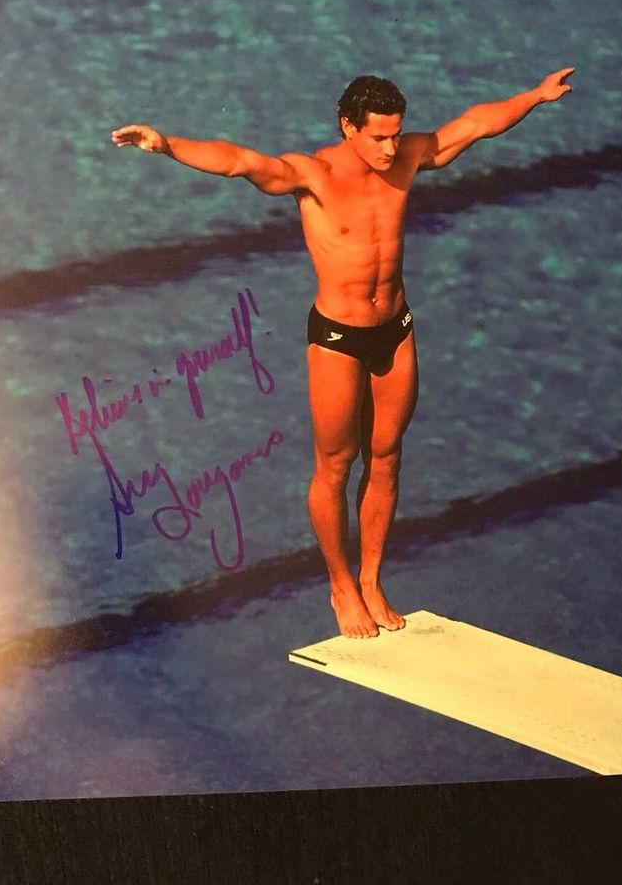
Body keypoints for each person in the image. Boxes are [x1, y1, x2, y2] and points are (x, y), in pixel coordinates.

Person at [112, 67, 574, 639]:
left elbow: (477, 124)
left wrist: (535, 96)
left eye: (396, 134)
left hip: (395, 329)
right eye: (378, 137)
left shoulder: (406, 157)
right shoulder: (314, 175)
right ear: (348, 126)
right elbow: (238, 161)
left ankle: (372, 579)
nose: (390, 148)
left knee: (387, 457)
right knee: (335, 464)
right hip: (338, 336)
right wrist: (167, 144)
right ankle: (340, 585)